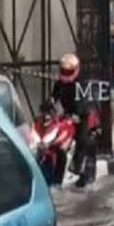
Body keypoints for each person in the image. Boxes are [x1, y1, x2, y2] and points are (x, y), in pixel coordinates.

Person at [50, 53, 91, 183]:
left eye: (69, 71)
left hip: (80, 116)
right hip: (66, 115)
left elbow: (82, 101)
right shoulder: (59, 84)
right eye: (64, 71)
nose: (66, 73)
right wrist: (48, 105)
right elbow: (53, 97)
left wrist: (77, 114)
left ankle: (77, 167)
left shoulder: (81, 84)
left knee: (82, 139)